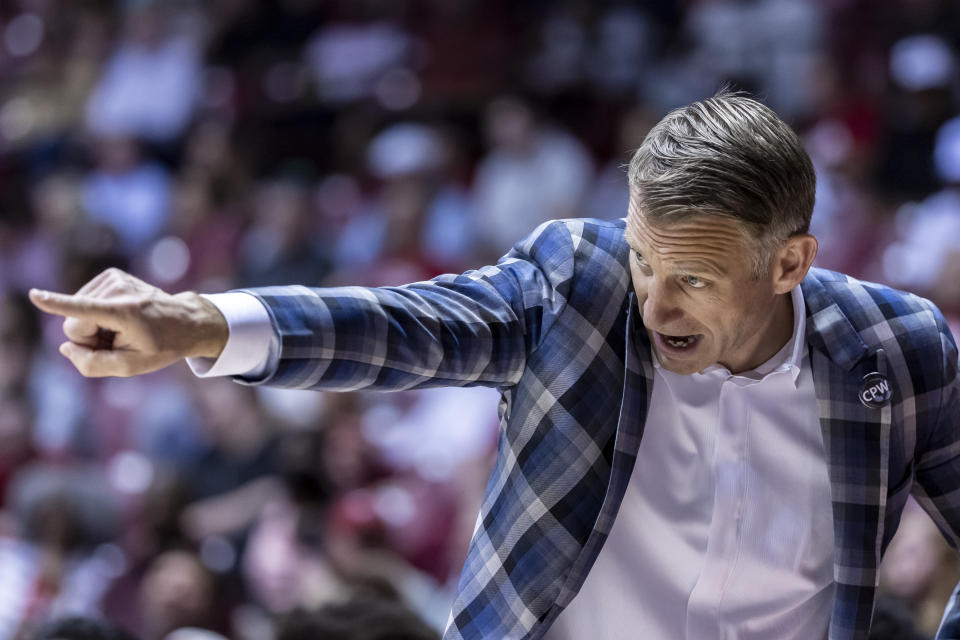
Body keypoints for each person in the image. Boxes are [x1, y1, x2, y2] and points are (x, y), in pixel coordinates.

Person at [29, 93, 960, 640]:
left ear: (790, 263)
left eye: (695, 279)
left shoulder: (900, 350)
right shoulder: (580, 283)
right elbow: (408, 327)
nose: (655, 304)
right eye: (643, 258)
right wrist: (197, 324)